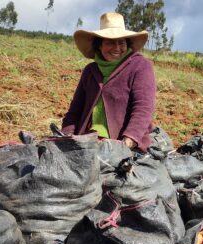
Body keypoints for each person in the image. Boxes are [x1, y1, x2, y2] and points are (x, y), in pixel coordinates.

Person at [61, 12, 155, 151]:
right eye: (110, 42)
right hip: (88, 140)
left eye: (121, 42)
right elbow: (75, 110)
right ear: (99, 45)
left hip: (121, 143)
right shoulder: (90, 70)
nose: (117, 48)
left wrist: (128, 142)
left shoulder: (140, 66)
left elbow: (143, 109)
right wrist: (65, 136)